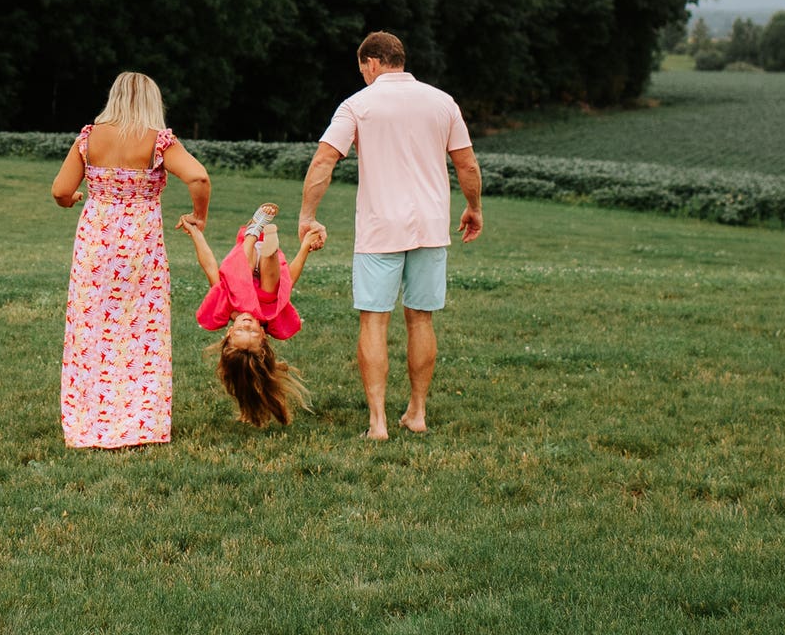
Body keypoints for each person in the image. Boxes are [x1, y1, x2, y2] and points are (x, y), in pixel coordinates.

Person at [297, 32, 483, 439]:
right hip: (431, 227)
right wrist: (474, 207)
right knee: (421, 319)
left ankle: (378, 422)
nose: (363, 76)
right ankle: (417, 412)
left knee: (374, 321)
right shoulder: (442, 102)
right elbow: (467, 165)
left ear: (372, 63)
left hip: (379, 228)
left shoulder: (357, 105)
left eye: (362, 69)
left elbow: (324, 160)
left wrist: (307, 215)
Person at [49, 70, 211, 450]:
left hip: (95, 246)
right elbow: (199, 178)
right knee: (143, 330)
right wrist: (199, 216)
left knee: (91, 330)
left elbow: (60, 190)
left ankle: (89, 419)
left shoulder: (89, 138)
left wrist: (73, 200)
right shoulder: (158, 141)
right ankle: (141, 422)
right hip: (140, 246)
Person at [177, 202, 323, 425]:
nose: (246, 325)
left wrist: (196, 233)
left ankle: (254, 230)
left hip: (247, 252)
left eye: (240, 332)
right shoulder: (271, 317)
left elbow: (209, 265)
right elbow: (290, 281)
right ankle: (269, 247)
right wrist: (305, 248)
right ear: (263, 337)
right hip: (270, 267)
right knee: (271, 296)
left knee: (238, 291)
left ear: (228, 333)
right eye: (253, 333)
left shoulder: (224, 308)